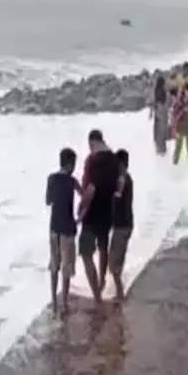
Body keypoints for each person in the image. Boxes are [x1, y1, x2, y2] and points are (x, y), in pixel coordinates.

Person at [77, 129, 120, 303]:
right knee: (103, 247)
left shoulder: (92, 160)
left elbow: (89, 189)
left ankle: (97, 295)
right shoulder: (114, 160)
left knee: (86, 253)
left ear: (92, 142)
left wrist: (81, 210)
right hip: (107, 211)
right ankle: (102, 281)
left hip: (91, 214)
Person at [46, 147, 81, 314]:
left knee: (54, 265)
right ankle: (64, 302)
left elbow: (48, 201)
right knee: (66, 268)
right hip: (67, 228)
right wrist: (80, 217)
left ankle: (53, 301)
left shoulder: (51, 179)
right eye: (74, 163)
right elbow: (84, 196)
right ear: (70, 164)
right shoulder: (72, 181)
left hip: (54, 227)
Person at [110, 149, 134, 302]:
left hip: (122, 226)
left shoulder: (121, 179)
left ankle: (120, 293)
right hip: (125, 224)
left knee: (113, 263)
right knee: (116, 259)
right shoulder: (127, 178)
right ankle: (119, 290)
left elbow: (116, 197)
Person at [172, 83, 188, 164]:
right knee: (178, 146)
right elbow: (175, 112)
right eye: (186, 91)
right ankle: (175, 163)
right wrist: (182, 109)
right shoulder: (179, 100)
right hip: (180, 125)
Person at [150, 76, 169, 155]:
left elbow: (154, 101)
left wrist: (151, 112)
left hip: (157, 111)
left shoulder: (157, 90)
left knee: (158, 130)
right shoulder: (163, 91)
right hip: (162, 111)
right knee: (162, 131)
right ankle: (162, 149)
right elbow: (165, 103)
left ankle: (159, 149)